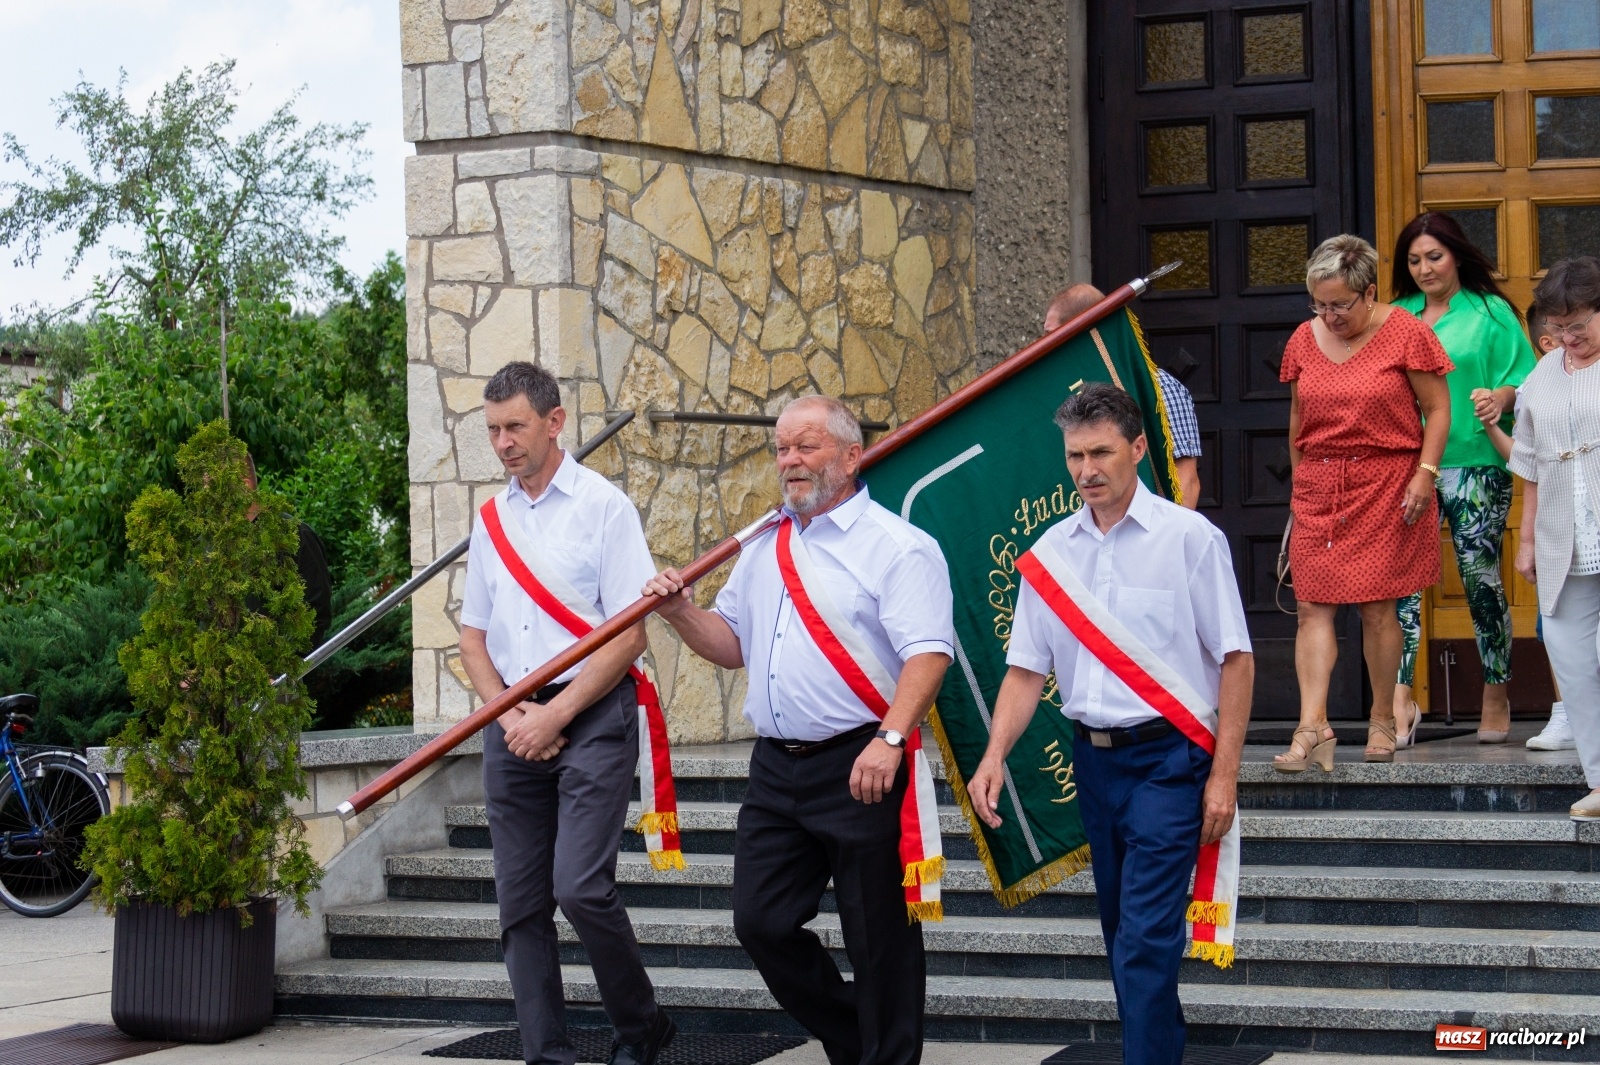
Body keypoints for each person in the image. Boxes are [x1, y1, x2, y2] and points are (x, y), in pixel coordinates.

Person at [642, 395, 954, 1065]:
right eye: (782, 448)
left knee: (880, 939)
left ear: (850, 455)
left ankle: (886, 1057)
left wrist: (891, 739)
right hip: (777, 767)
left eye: (806, 446)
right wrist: (677, 613)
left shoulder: (899, 547)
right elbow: (731, 644)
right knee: (760, 922)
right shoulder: (761, 546)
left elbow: (929, 654)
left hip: (863, 759)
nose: (790, 461)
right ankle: (855, 1039)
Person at [966, 383, 1253, 1065]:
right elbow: (1026, 671)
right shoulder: (1051, 552)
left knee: (1146, 939)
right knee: (1122, 931)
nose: (1086, 469)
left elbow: (1236, 660)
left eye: (1100, 452)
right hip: (1092, 764)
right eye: (1074, 455)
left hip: (1168, 761)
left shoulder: (1190, 539)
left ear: (1138, 448)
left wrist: (1225, 776)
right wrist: (993, 753)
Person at [457, 362, 674, 1065]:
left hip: (592, 711)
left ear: (554, 422)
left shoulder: (604, 507)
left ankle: (641, 1027)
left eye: (515, 426)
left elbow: (631, 632)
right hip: (513, 722)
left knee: (580, 885)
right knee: (520, 905)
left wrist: (556, 716)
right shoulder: (491, 520)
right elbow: (473, 635)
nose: (503, 443)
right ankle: (546, 1053)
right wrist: (511, 711)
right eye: (493, 430)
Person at [1275, 235, 1453, 769]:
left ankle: (1381, 717)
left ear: (1369, 292)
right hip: (1320, 485)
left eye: (1339, 305)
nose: (1327, 316)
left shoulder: (1406, 332)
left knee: (1378, 609)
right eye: (1319, 304)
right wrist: (1299, 486)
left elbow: (1438, 410)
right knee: (1311, 608)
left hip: (1388, 482)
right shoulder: (1303, 341)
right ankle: (1312, 726)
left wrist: (1425, 474)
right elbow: (1297, 420)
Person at [1389, 212, 1538, 745]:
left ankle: (1495, 693)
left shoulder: (1490, 311)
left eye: (1434, 256)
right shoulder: (1396, 316)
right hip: (1405, 468)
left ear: (1456, 254)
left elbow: (1523, 376)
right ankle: (1400, 701)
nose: (1425, 268)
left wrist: (1499, 398)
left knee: (1480, 579)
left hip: (1475, 461)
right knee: (1402, 586)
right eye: (1414, 260)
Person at [1510, 256, 1600, 820]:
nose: (1569, 339)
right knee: (1572, 660)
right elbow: (1531, 464)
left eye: (1581, 326)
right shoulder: (1542, 375)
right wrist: (1524, 538)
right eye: (1560, 328)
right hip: (1561, 535)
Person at [1471, 307, 1574, 751]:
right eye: (1566, 325)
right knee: (1553, 621)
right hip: (1558, 521)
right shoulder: (1537, 385)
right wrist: (1492, 426)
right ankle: (1566, 710)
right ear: (1549, 341)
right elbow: (1525, 458)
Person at [1046, 284, 1203, 508]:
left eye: (1050, 335)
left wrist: (1164, 541)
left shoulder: (1157, 387)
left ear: (1080, 330)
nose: (1041, 347)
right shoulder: (1058, 393)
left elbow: (1186, 482)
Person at [243, 454, 333, 648]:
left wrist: (279, 673)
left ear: (244, 485)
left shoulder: (294, 535)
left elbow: (314, 614)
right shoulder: (209, 543)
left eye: (215, 490)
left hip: (273, 674)